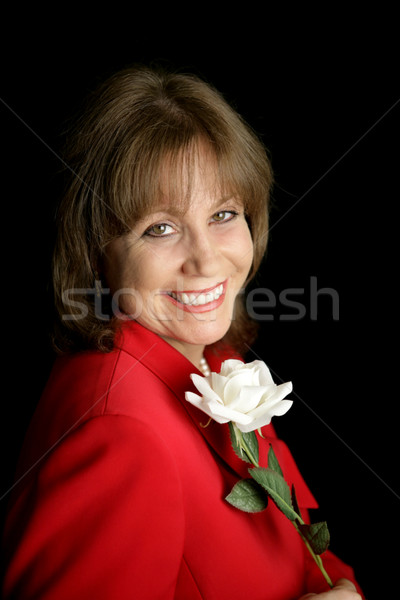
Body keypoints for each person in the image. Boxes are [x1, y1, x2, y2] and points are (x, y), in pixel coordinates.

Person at [1, 65, 363, 599]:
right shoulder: (121, 434)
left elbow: (304, 553)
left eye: (223, 213)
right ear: (98, 253)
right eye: (160, 228)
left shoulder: (213, 361)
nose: (206, 259)